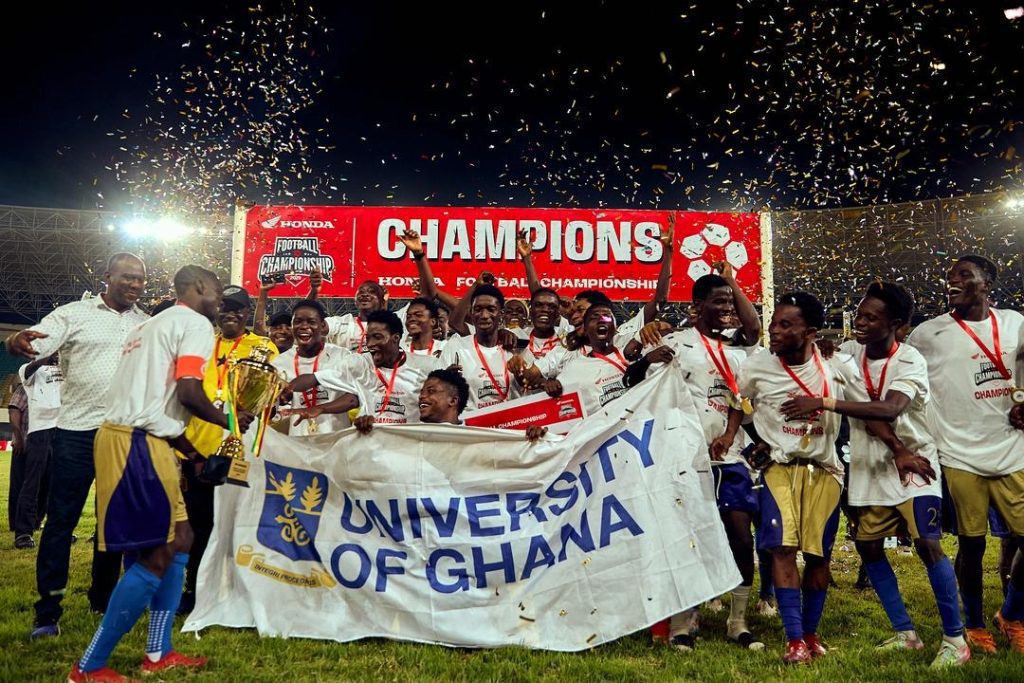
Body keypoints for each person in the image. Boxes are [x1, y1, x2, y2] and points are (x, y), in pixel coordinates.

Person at [68, 264, 253, 682]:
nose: (221, 298)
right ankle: (90, 665)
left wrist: (191, 452)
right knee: (155, 553)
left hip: (149, 439)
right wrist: (231, 420)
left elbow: (157, 400)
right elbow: (188, 393)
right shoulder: (193, 323)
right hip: (134, 442)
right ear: (199, 287)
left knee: (182, 538)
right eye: (218, 289)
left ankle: (158, 651)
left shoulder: (152, 325)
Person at [781, 282, 968, 667]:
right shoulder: (848, 353)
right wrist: (824, 351)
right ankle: (905, 633)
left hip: (917, 464)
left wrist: (824, 402)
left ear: (896, 324)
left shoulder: (910, 360)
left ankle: (955, 640)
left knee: (928, 544)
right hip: (869, 468)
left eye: (870, 317)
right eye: (859, 314)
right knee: (868, 548)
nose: (860, 322)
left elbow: (888, 409)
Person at [7, 252, 149, 638]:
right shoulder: (74, 313)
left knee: (112, 524)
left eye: (140, 279)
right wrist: (17, 339)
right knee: (61, 522)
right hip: (76, 434)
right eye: (127, 278)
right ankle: (47, 611)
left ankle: (101, 600)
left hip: (123, 436)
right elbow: (36, 341)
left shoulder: (147, 324)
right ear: (108, 277)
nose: (135, 285)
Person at [712, 292, 845, 664]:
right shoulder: (757, 365)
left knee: (818, 556)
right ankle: (794, 639)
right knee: (783, 549)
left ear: (812, 332)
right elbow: (741, 400)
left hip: (825, 469)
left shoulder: (836, 364)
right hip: (778, 470)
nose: (775, 331)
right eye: (774, 323)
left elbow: (862, 399)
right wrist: (732, 435)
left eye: (787, 325)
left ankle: (812, 633)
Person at [908, 255, 1024, 654]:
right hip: (959, 454)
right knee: (971, 545)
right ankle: (974, 625)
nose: (952, 281)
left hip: (1014, 449)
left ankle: (1011, 614)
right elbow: (899, 367)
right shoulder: (928, 333)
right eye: (949, 275)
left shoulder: (1014, 323)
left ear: (987, 282)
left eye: (963, 275)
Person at [650, 272, 763, 651]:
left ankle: (738, 620)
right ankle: (682, 622)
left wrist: (730, 434)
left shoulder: (737, 350)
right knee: (689, 538)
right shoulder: (675, 343)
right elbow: (653, 394)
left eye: (731, 302)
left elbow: (738, 398)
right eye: (719, 302)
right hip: (685, 458)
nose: (728, 309)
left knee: (739, 535)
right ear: (697, 306)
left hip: (728, 458)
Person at [177, 284, 278, 615]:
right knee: (199, 524)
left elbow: (267, 398)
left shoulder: (262, 348)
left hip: (240, 451)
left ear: (247, 314)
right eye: (224, 309)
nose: (229, 315)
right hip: (199, 449)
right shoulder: (202, 344)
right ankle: (195, 589)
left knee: (239, 523)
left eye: (237, 310)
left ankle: (237, 589)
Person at [289, 310, 439, 426]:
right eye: (368, 338)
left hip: (407, 447)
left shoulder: (427, 366)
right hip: (369, 447)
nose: (371, 344)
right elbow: (315, 378)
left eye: (378, 337)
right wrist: (285, 389)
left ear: (396, 338)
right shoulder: (360, 363)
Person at [271, 300, 352, 435]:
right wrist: (278, 399)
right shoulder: (279, 363)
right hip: (298, 442)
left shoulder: (342, 356)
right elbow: (271, 409)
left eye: (311, 322)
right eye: (298, 321)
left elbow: (354, 398)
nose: (304, 326)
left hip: (336, 440)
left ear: (322, 325)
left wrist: (321, 408)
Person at [439, 284, 519, 411]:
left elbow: (531, 386)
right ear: (471, 312)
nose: (484, 315)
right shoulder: (456, 346)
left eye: (491, 309)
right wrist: (445, 380)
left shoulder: (514, 346)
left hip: (509, 426)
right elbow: (436, 388)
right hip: (471, 428)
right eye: (478, 309)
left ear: (501, 314)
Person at [13, 354, 63, 549]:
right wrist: (45, 357)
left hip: (64, 429)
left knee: (58, 485)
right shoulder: (31, 370)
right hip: (40, 431)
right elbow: (26, 371)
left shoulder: (65, 369)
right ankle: (23, 533)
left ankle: (58, 530)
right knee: (32, 482)